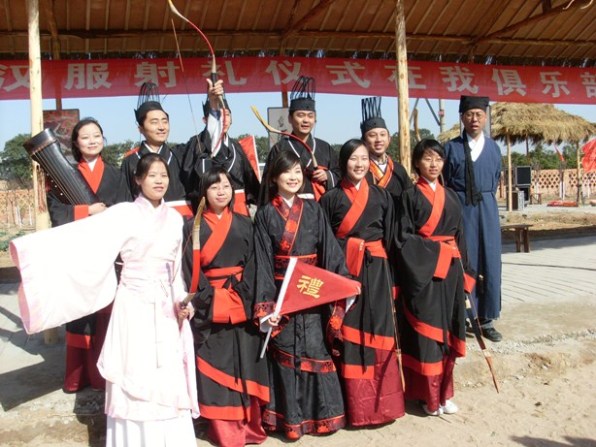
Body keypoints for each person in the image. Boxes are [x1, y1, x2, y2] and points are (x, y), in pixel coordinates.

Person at [11, 153, 199, 446]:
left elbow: (175, 271)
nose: (159, 180)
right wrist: (35, 256)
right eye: (152, 175)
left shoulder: (175, 219)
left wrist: (182, 302)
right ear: (138, 179)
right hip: (133, 305)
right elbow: (85, 240)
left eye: (163, 175)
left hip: (165, 308)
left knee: (166, 372)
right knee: (134, 370)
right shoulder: (123, 213)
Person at [253, 150, 347, 439]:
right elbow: (262, 263)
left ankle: (322, 417)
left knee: (315, 348)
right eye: (286, 172)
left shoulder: (314, 210)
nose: (293, 177)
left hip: (311, 292)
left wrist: (343, 282)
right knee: (286, 351)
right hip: (282, 295)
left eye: (297, 171)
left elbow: (329, 250)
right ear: (273, 177)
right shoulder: (265, 215)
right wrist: (266, 307)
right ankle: (290, 420)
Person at [319, 139, 405, 427]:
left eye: (364, 158)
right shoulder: (330, 199)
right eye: (353, 158)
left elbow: (392, 239)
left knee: (379, 332)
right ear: (343, 162)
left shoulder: (382, 197)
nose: (359, 164)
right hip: (345, 274)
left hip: (378, 272)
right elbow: (324, 243)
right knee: (350, 333)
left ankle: (384, 406)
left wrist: (394, 279)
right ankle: (357, 409)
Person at [182, 167, 269, 447]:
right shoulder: (191, 227)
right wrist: (213, 299)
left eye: (226, 186)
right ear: (203, 193)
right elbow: (190, 270)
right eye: (214, 186)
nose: (222, 191)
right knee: (216, 364)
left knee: (246, 363)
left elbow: (255, 264)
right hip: (210, 306)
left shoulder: (245, 223)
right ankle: (223, 430)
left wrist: (242, 297)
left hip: (242, 301)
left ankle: (250, 426)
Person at [46, 118, 131, 394]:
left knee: (108, 311)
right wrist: (87, 211)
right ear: (76, 143)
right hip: (79, 253)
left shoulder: (118, 174)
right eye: (85, 137)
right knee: (81, 312)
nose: (92, 141)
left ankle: (105, 375)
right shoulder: (64, 174)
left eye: (97, 135)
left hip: (110, 253)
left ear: (103, 139)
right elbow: (56, 211)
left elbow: (127, 209)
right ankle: (78, 375)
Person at [395, 139, 475, 416]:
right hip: (424, 275)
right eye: (427, 158)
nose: (433, 164)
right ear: (417, 163)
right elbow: (402, 239)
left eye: (438, 159)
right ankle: (427, 397)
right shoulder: (408, 196)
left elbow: (460, 237)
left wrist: (466, 272)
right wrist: (438, 252)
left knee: (449, 332)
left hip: (451, 272)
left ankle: (445, 394)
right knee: (427, 334)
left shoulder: (451, 196)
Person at [443, 95, 503, 342]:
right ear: (462, 117)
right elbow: (444, 181)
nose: (474, 119)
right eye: (469, 114)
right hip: (460, 210)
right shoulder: (451, 148)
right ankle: (462, 316)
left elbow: (496, 178)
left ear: (486, 117)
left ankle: (486, 319)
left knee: (490, 261)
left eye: (479, 114)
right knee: (463, 261)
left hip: (487, 209)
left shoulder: (494, 148)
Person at [182, 80, 260, 217]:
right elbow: (188, 179)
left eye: (227, 115)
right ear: (205, 120)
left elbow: (250, 180)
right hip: (208, 209)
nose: (223, 119)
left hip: (238, 210)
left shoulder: (237, 146)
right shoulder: (195, 144)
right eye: (218, 115)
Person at [259, 76, 340, 203]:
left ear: (315, 119)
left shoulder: (325, 148)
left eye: (310, 116)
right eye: (300, 115)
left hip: (320, 208)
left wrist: (328, 176)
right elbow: (268, 184)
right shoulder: (279, 148)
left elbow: (339, 174)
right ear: (290, 118)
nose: (306, 120)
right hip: (287, 207)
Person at [120, 82, 194, 217]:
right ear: (141, 129)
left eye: (165, 121)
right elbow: (125, 200)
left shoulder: (180, 155)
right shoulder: (130, 162)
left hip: (182, 222)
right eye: (154, 122)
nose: (161, 127)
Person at [360, 96, 412, 204]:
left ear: (389, 139)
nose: (378, 140)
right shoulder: (360, 169)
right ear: (364, 141)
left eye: (383, 135)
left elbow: (409, 200)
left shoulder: (399, 170)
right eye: (372, 135)